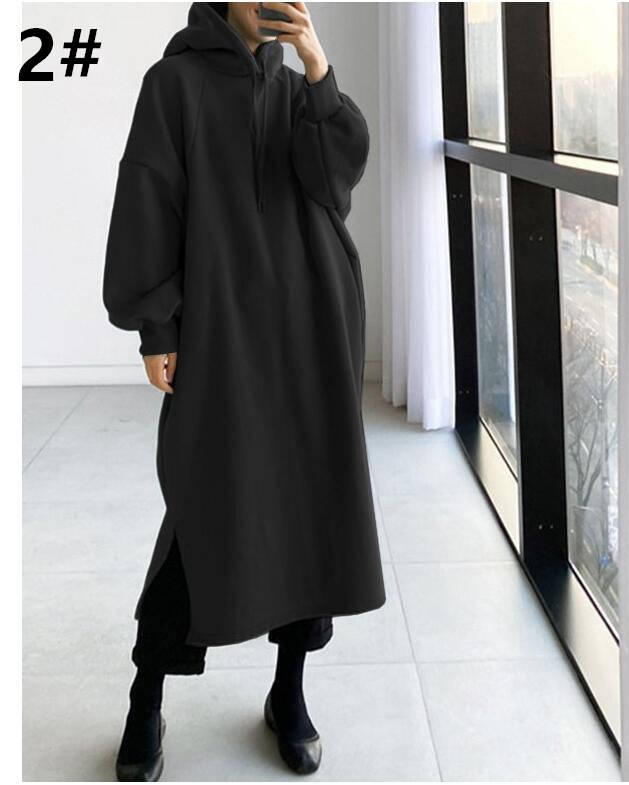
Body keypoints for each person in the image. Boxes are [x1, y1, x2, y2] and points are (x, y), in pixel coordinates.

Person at [103, 1, 386, 780]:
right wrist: (155, 326)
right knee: (204, 509)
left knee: (308, 509)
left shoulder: (300, 91)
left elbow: (335, 181)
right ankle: (145, 696)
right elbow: (148, 196)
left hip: (311, 328)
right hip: (220, 330)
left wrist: (320, 69)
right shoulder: (174, 83)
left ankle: (288, 691)